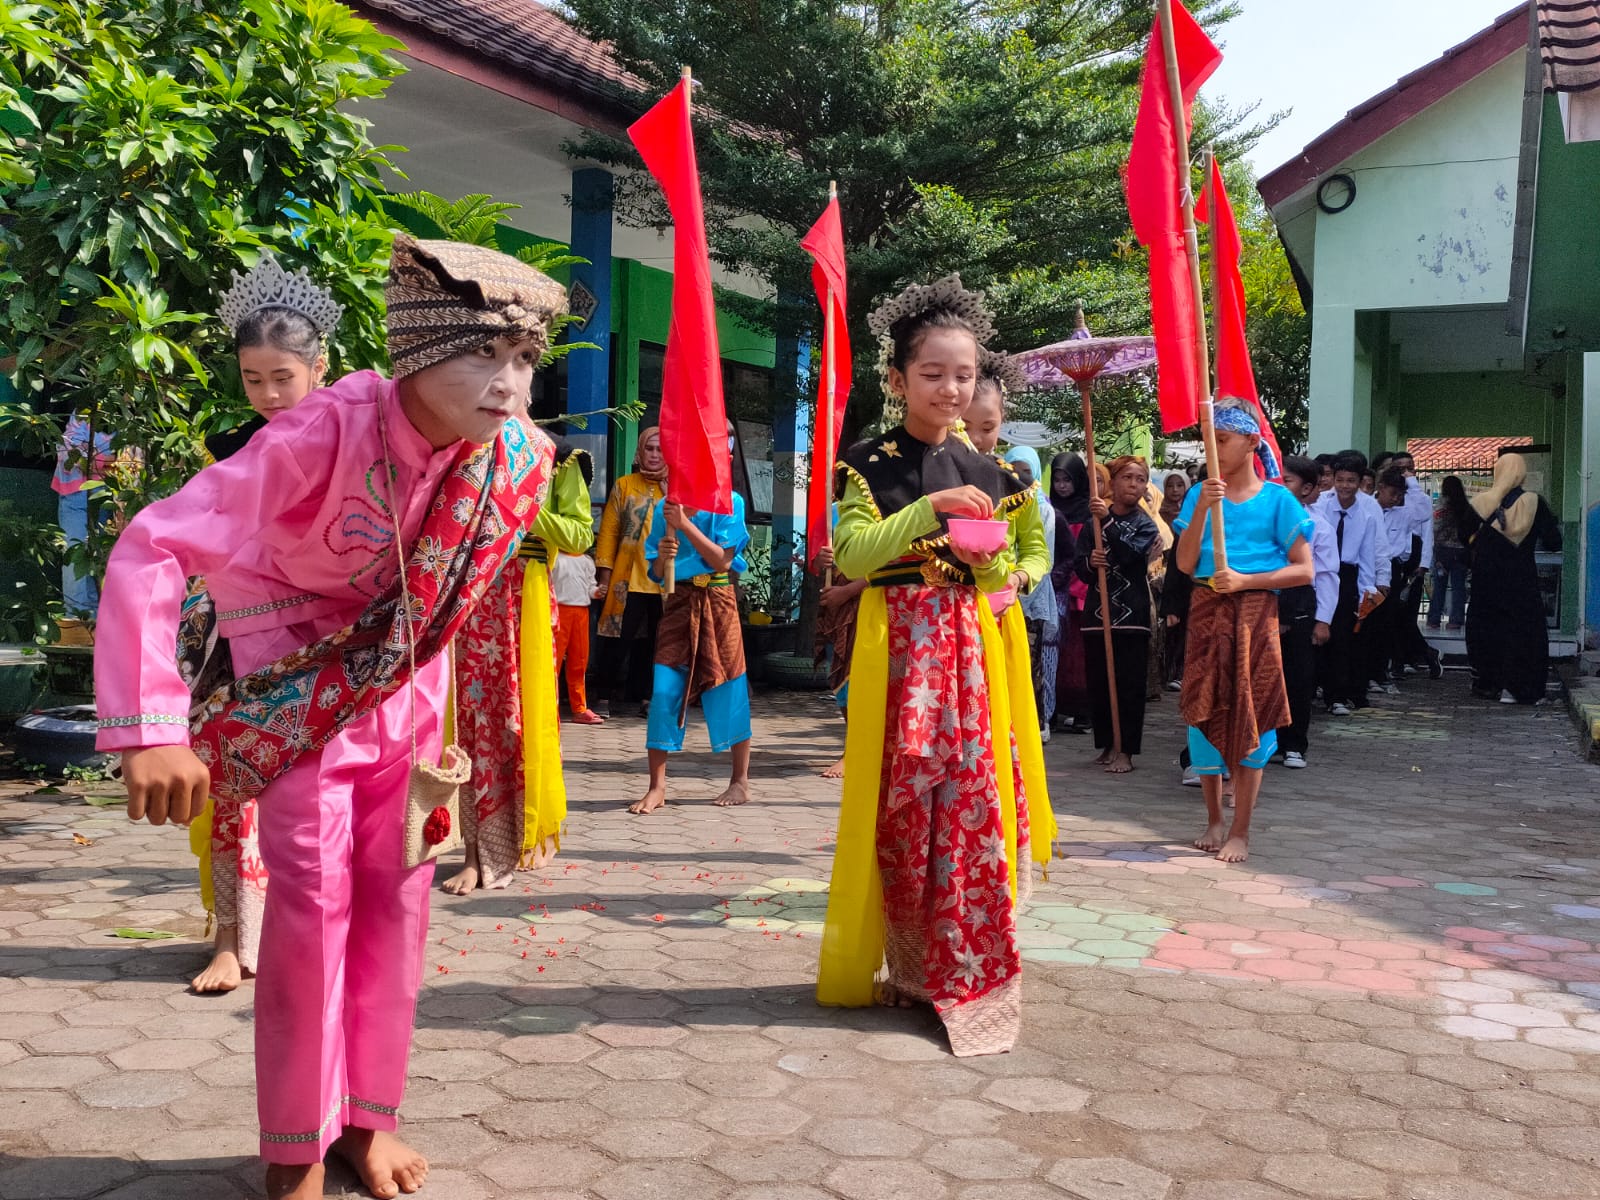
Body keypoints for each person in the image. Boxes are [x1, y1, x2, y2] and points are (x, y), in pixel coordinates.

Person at [95, 233, 564, 1200]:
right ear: (417, 353)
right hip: (299, 691)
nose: (509, 384)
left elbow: (468, 607)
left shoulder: (509, 458)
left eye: (524, 359)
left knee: (400, 905)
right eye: (484, 355)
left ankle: (367, 1122)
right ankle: (294, 1151)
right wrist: (151, 726)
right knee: (309, 915)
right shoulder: (324, 430)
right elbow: (154, 543)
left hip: (412, 703)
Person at [817, 275, 1045, 1057]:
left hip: (967, 653)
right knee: (903, 809)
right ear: (896, 380)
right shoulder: (868, 465)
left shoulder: (996, 474)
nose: (952, 389)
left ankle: (968, 965)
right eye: (933, 374)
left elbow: (1000, 572)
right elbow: (852, 555)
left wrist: (997, 568)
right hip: (898, 651)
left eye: (965, 374)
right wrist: (929, 514)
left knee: (971, 807)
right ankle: (909, 968)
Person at [188, 254, 344, 996]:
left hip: (328, 642)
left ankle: (313, 925)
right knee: (232, 785)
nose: (270, 395)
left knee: (317, 797)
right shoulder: (230, 450)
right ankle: (229, 936)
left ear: (319, 366)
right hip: (243, 641)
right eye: (254, 380)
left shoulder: (353, 444)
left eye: (283, 377)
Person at [445, 437, 594, 895]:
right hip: (469, 595)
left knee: (520, 721)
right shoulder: (462, 444)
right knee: (469, 722)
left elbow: (579, 534)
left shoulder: (558, 457)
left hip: (522, 601)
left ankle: (520, 836)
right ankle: (475, 850)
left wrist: (524, 507)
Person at [1173, 399, 1312, 864]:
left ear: (1252, 442)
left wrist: (1248, 581)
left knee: (1255, 711)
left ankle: (1241, 830)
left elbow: (1304, 570)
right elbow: (1185, 562)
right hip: (1207, 609)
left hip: (1256, 616)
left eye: (1223, 440)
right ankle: (1213, 819)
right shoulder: (1199, 494)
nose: (1214, 450)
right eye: (1209, 441)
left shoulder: (1278, 500)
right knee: (1201, 709)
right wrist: (1202, 511)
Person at [629, 429, 753, 815]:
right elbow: (653, 568)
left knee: (730, 684)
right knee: (665, 689)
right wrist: (662, 555)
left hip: (718, 598)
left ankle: (740, 781)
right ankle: (657, 786)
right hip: (680, 601)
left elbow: (721, 561)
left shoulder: (730, 503)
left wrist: (685, 526)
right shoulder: (667, 507)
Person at [1076, 456, 1159, 773]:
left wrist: (1107, 524)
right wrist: (1091, 563)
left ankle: (1127, 751)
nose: (1134, 485)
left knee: (1129, 686)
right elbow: (1080, 569)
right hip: (1097, 615)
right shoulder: (1091, 523)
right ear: (1113, 482)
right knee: (1099, 683)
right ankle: (1108, 744)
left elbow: (1130, 556)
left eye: (1140, 479)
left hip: (1131, 616)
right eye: (1127, 478)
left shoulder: (1145, 525)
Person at [1463, 452, 1562, 705]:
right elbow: (1553, 542)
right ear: (1521, 473)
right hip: (1520, 580)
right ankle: (1519, 688)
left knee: (1488, 630)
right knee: (1524, 632)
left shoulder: (1480, 503)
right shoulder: (1534, 502)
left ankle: (1488, 684)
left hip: (1486, 580)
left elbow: (1464, 538)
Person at [593, 427, 668, 717]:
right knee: (614, 639)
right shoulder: (624, 485)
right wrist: (604, 575)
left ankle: (650, 698)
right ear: (639, 452)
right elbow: (609, 532)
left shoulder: (676, 489)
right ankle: (603, 696)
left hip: (664, 582)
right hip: (627, 578)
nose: (654, 455)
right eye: (649, 449)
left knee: (658, 644)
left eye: (660, 449)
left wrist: (671, 492)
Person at [1315, 452, 1389, 713]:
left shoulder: (1366, 513)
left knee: (1343, 638)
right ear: (1333, 479)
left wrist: (1367, 593)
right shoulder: (1320, 505)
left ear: (1360, 483)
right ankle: (1315, 687)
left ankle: (1337, 696)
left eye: (1351, 481)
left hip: (1348, 576)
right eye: (1340, 479)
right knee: (1316, 632)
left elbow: (1368, 557)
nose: (1345, 486)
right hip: (1320, 572)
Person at [1277, 456, 1338, 769]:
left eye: (1288, 480)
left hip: (1300, 606)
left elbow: (1326, 575)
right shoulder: (1265, 517)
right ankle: (1265, 742)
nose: (1280, 485)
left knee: (1297, 678)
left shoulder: (1318, 527)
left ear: (1308, 489)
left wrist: (1323, 620)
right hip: (1263, 604)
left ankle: (1294, 744)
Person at [1004, 445, 1058, 743]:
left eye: (1026, 471)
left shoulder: (1041, 507)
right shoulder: (1001, 499)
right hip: (1001, 597)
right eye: (1014, 469)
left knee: (1031, 663)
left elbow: (1042, 557)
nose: (1020, 476)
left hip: (1032, 597)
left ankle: (1036, 722)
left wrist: (1020, 588)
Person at [812, 537, 866, 778]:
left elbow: (889, 564)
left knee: (860, 682)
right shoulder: (833, 513)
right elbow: (817, 563)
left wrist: (848, 591)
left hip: (870, 604)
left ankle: (853, 752)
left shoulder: (887, 504)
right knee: (842, 681)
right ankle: (853, 747)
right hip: (837, 610)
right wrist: (819, 560)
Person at [1047, 452, 1093, 733]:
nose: (1063, 486)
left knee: (1078, 653)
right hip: (1052, 586)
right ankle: (1055, 706)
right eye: (1058, 480)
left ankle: (1082, 709)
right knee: (1056, 653)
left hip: (1079, 587)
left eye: (1068, 479)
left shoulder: (1089, 511)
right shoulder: (1048, 508)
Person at [553, 549, 603, 723]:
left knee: (579, 661)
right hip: (559, 611)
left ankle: (579, 708)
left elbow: (590, 587)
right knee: (554, 662)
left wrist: (596, 592)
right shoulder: (553, 556)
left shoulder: (587, 560)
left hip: (582, 612)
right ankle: (550, 707)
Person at [1428, 475, 1471, 632]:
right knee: (1459, 587)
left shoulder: (1442, 506)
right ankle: (1456, 619)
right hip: (1461, 552)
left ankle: (1434, 619)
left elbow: (1435, 527)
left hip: (1442, 552)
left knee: (1439, 586)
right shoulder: (1466, 506)